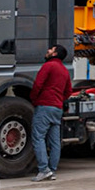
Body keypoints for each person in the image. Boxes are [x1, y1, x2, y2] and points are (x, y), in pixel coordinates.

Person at [30, 44, 71, 182]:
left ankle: (43, 170)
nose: (48, 50)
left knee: (38, 137)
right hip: (57, 108)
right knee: (55, 141)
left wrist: (34, 99)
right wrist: (59, 100)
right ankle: (52, 170)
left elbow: (38, 84)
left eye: (51, 49)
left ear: (55, 54)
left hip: (45, 105)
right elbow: (68, 91)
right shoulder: (64, 70)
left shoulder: (48, 66)